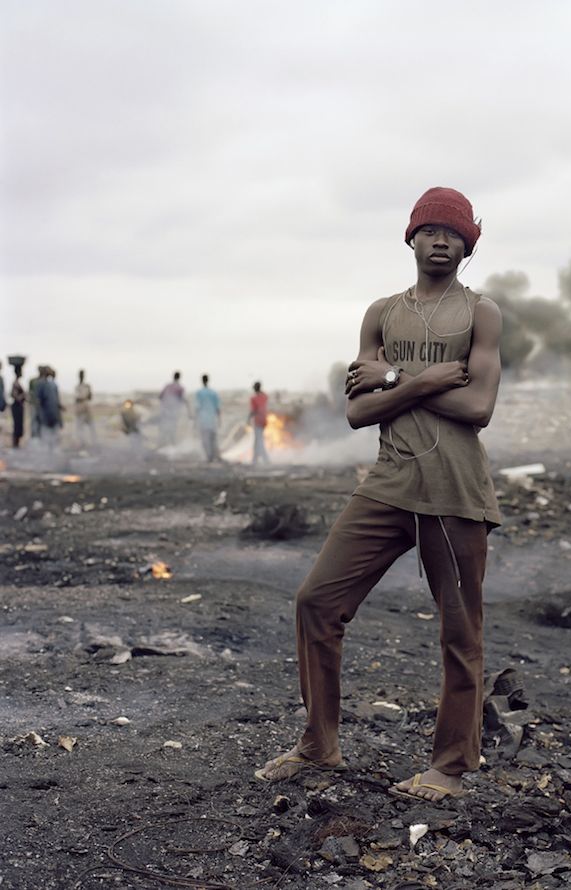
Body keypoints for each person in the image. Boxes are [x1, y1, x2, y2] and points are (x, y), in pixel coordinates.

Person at [256, 187, 502, 804]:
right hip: (389, 485)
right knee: (317, 601)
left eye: (453, 233)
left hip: (455, 492)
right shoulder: (381, 314)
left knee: (459, 631)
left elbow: (478, 407)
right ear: (411, 238)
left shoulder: (482, 313)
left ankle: (449, 767)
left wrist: (395, 379)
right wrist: (419, 379)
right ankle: (319, 743)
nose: (440, 241)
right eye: (430, 231)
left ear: (468, 244)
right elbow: (358, 412)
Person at [194, 374, 221, 462]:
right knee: (212, 439)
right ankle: (213, 456)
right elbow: (217, 408)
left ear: (202, 381)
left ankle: (209, 457)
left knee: (205, 440)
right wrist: (220, 419)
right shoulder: (213, 392)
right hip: (212, 419)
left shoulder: (199, 393)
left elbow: (197, 407)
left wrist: (195, 421)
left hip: (203, 419)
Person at [37, 367, 64, 451]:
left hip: (49, 414)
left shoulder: (47, 384)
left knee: (49, 436)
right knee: (50, 436)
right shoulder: (48, 384)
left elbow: (40, 400)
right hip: (50, 413)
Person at [159, 371, 187, 447]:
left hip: (165, 410)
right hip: (173, 411)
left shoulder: (167, 386)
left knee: (165, 427)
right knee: (172, 427)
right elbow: (181, 399)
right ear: (179, 377)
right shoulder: (180, 388)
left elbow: (160, 396)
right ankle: (171, 443)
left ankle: (164, 444)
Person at [74, 369, 97, 449]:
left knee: (91, 426)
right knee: (80, 427)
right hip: (80, 409)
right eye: (80, 375)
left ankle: (94, 442)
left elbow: (90, 397)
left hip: (87, 408)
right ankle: (82, 443)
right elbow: (77, 398)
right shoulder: (77, 387)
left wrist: (87, 395)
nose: (81, 376)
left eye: (82, 375)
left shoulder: (87, 386)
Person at [248, 381, 270, 465]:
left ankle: (265, 459)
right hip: (263, 420)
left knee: (259, 441)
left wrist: (248, 419)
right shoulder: (264, 396)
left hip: (257, 421)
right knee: (257, 441)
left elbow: (253, 411)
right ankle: (255, 459)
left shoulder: (253, 398)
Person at [10, 367, 26, 448]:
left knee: (18, 425)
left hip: (18, 407)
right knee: (17, 425)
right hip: (17, 407)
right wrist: (23, 395)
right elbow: (14, 395)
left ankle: (16, 444)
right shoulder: (15, 383)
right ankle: (15, 444)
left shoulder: (17, 383)